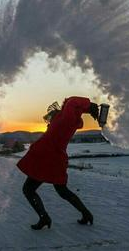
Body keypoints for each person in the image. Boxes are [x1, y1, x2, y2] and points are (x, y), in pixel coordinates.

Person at [16, 96, 100, 230]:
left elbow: (72, 101)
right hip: (53, 158)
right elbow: (73, 105)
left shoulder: (68, 118)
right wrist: (88, 109)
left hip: (46, 158)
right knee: (61, 190)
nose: (55, 111)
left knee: (29, 189)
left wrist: (90, 106)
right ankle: (86, 214)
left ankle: (44, 218)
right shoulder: (69, 119)